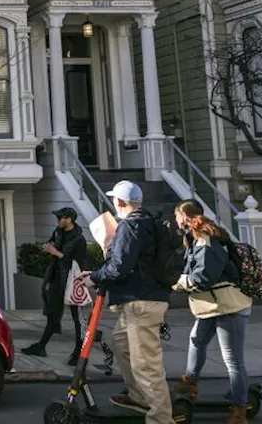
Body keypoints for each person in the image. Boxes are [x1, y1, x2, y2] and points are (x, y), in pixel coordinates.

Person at [81, 180, 175, 424]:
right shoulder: (148, 222)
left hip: (140, 302)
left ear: (120, 202)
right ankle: (140, 397)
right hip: (143, 299)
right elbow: (130, 262)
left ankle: (161, 419)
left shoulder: (131, 226)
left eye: (114, 200)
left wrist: (94, 278)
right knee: (120, 343)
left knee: (146, 366)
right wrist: (97, 272)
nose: (114, 203)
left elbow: (120, 266)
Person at [172, 201, 252, 424]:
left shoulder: (207, 240)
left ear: (186, 217)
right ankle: (189, 382)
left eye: (177, 216)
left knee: (233, 361)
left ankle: (240, 411)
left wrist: (178, 283)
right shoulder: (195, 239)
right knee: (196, 340)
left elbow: (204, 277)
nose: (175, 221)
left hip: (228, 306)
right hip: (210, 306)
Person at [23, 206, 90, 365]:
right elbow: (53, 242)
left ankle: (79, 352)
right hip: (56, 277)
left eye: (60, 217)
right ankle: (41, 346)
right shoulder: (59, 231)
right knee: (53, 313)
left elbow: (79, 263)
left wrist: (56, 253)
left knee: (77, 318)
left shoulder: (79, 239)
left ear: (69, 219)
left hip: (72, 280)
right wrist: (48, 246)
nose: (57, 220)